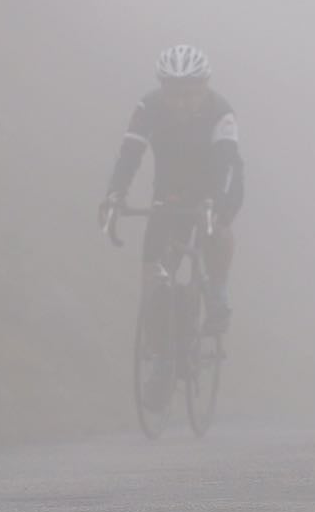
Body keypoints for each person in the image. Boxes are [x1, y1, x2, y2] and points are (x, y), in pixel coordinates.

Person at [99, 44, 243, 337]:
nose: (180, 102)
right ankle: (158, 354)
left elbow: (226, 163)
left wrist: (219, 206)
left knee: (218, 228)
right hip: (170, 188)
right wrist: (115, 195)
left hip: (218, 182)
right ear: (161, 89)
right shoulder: (149, 108)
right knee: (152, 279)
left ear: (204, 87)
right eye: (173, 93)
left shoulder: (221, 112)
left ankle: (217, 293)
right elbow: (130, 154)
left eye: (189, 93)